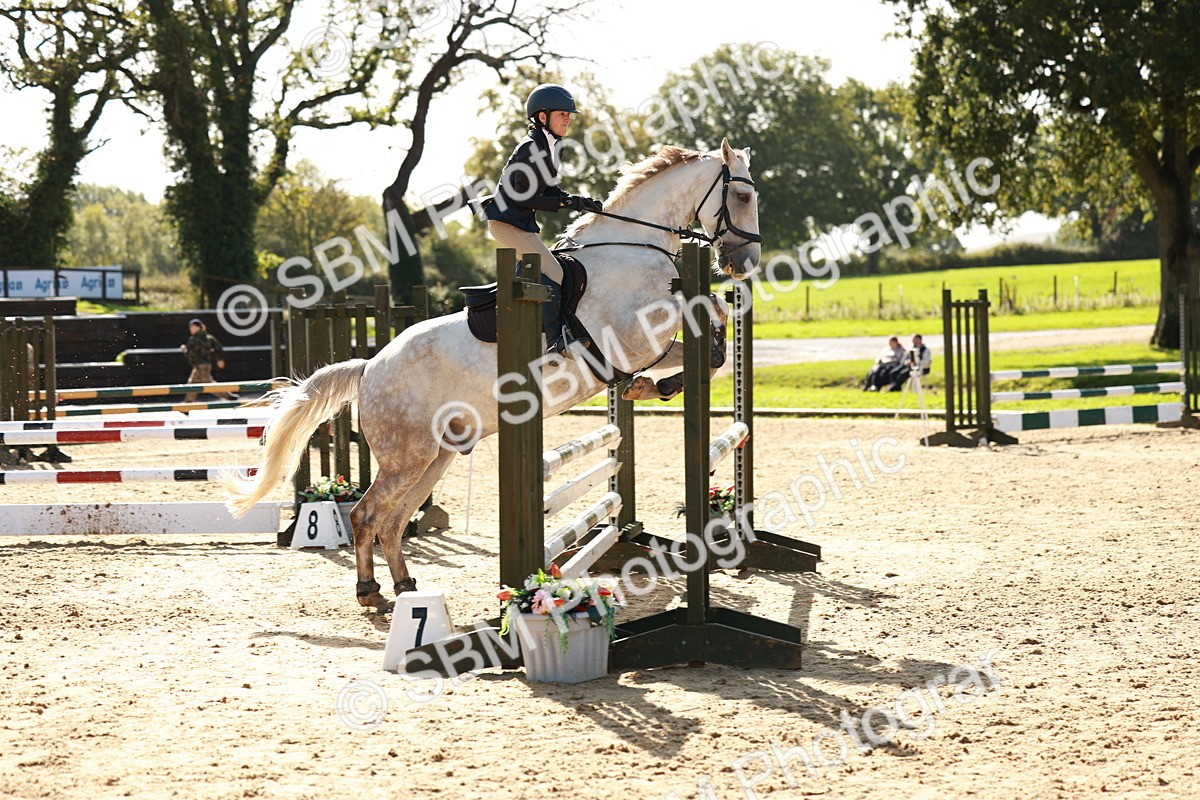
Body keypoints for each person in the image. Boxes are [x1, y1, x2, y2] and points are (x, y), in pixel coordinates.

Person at [482, 83, 605, 358]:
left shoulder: (551, 146)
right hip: (505, 222)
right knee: (554, 271)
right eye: (562, 114)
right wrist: (563, 203)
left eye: (569, 115)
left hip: (520, 224)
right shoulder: (529, 148)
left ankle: (552, 327)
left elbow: (547, 190)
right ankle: (555, 339)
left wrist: (577, 200)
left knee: (556, 269)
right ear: (542, 117)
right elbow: (523, 197)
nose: (568, 119)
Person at [181, 319, 236, 402]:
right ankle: (227, 395)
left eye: (192, 327)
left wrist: (184, 349)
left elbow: (190, 353)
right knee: (200, 384)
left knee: (198, 384)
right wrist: (220, 359)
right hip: (206, 365)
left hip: (199, 366)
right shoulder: (208, 337)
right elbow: (218, 347)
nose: (190, 329)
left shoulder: (193, 339)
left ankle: (187, 405)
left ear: (198, 327)